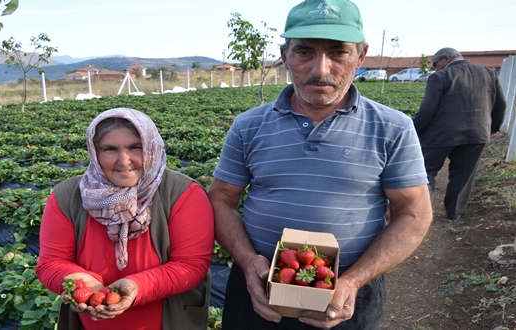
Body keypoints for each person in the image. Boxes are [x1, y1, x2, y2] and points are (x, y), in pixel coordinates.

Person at [207, 0, 433, 329]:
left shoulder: (392, 127)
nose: (320, 70)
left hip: (349, 295)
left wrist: (354, 280)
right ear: (285, 56)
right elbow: (221, 198)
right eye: (304, 52)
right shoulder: (248, 125)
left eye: (338, 52)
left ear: (361, 55)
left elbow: (414, 212)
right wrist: (246, 260)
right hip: (258, 286)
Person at [36, 108, 214, 330]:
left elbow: (190, 265)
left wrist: (137, 286)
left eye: (135, 147)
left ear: (152, 148)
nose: (124, 160)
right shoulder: (67, 195)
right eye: (109, 149)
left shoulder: (183, 193)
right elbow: (50, 263)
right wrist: (79, 282)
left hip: (166, 321)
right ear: (95, 152)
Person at [413, 47, 506, 221]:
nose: (435, 68)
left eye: (435, 64)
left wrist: (415, 131)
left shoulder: (440, 77)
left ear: (446, 58)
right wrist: (494, 127)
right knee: (464, 173)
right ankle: (454, 212)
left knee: (426, 171)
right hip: (477, 133)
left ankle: (422, 214)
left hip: (440, 134)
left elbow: (427, 109)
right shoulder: (489, 73)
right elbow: (500, 103)